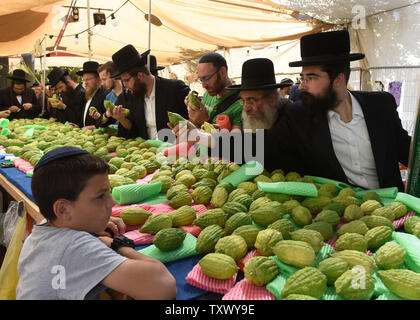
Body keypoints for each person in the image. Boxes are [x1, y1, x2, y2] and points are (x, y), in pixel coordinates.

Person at [16, 147, 177, 300]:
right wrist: (116, 245)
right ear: (63, 210)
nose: (112, 202)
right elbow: (164, 286)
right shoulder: (74, 247)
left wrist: (89, 220)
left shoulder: (45, 229)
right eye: (101, 196)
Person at [265, 30, 411, 191]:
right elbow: (262, 146)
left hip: (397, 207)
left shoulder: (381, 105)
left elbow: (408, 152)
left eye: (311, 78)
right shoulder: (299, 115)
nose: (302, 86)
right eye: (302, 78)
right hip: (345, 212)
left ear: (338, 80)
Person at [109, 45, 190, 140]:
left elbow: (194, 124)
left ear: (140, 75)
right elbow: (133, 132)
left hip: (176, 151)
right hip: (147, 152)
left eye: (126, 80)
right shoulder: (131, 96)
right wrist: (122, 120)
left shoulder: (175, 89)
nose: (125, 86)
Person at [185, 52, 242, 131]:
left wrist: (205, 121)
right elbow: (197, 130)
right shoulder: (207, 95)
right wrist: (192, 110)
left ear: (222, 72)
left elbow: (235, 142)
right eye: (201, 80)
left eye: (207, 79)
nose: (203, 85)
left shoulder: (240, 105)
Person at [76, 61, 108, 129]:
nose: (85, 83)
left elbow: (108, 121)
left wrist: (94, 127)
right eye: (84, 80)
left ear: (98, 79)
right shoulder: (88, 94)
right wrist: (79, 126)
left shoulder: (105, 94)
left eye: (88, 79)